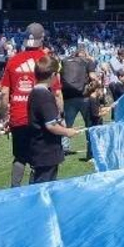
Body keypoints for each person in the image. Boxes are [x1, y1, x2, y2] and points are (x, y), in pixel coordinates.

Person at [1, 22, 59, 186]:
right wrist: (58, 114)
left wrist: (5, 116)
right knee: (38, 159)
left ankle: (14, 190)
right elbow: (57, 93)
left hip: (18, 117)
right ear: (42, 39)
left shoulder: (13, 61)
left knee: (20, 157)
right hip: (40, 118)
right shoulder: (47, 61)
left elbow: (5, 93)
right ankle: (34, 194)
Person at [25, 55, 80, 184]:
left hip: (41, 151)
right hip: (46, 152)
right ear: (53, 75)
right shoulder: (44, 95)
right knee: (44, 185)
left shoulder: (36, 93)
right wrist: (68, 132)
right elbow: (51, 125)